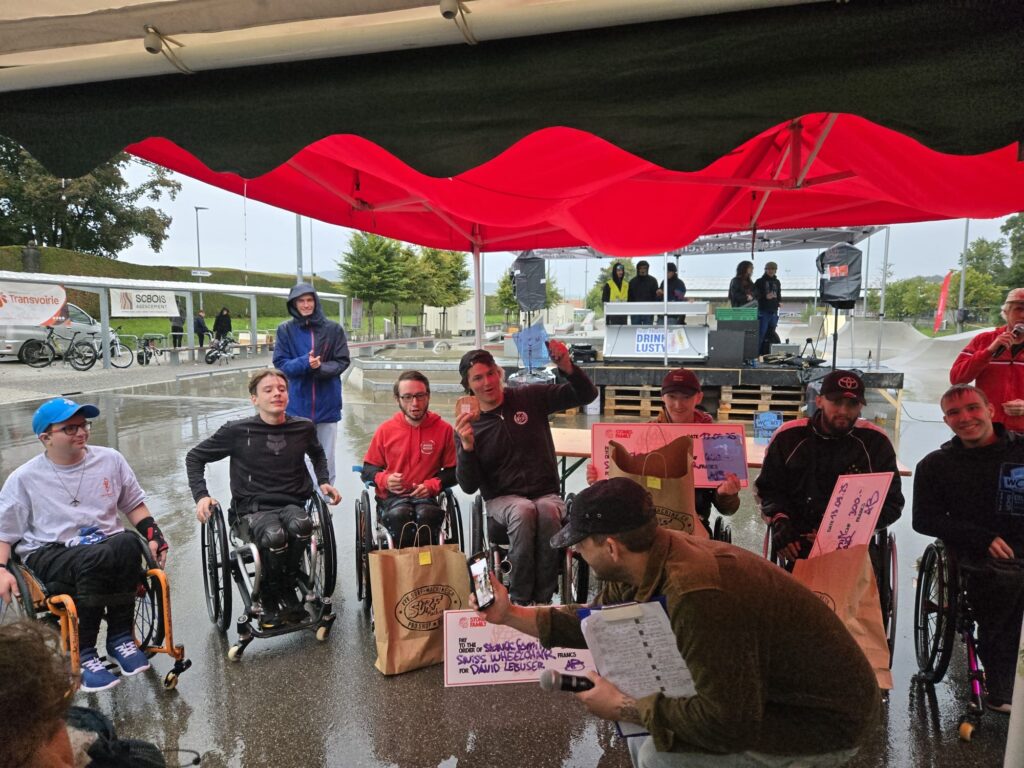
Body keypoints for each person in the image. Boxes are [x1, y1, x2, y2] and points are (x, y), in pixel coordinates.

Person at [473, 478, 880, 768]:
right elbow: (600, 622)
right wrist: (509, 615)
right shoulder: (643, 558)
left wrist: (626, 706)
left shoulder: (697, 594)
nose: (576, 553)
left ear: (611, 546)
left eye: (581, 544)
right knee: (650, 724)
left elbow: (727, 725)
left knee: (659, 754)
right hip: (769, 696)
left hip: (819, 724)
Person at [0, 397, 169, 692]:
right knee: (101, 554)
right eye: (70, 428)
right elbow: (5, 532)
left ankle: (119, 638)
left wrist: (155, 535)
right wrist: (1, 569)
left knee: (130, 541)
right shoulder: (24, 478)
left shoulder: (110, 460)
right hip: (51, 553)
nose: (81, 432)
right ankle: (84, 652)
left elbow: (134, 505)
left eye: (84, 425)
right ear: (46, 438)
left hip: (103, 547)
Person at [185, 369, 341, 628]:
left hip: (292, 503)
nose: (277, 393)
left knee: (303, 526)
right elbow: (194, 457)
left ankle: (287, 585)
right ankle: (270, 594)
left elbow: (317, 454)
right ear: (254, 399)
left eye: (281, 389)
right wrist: (201, 496)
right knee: (274, 535)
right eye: (268, 390)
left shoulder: (303, 427)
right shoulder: (237, 431)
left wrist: (323, 480)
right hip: (252, 509)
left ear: (288, 396)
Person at [455, 344, 598, 605]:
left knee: (545, 510)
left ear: (499, 373)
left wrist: (565, 365)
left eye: (490, 373)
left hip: (546, 493)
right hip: (502, 499)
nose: (487, 382)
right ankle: (520, 600)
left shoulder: (529, 397)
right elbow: (467, 485)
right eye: (478, 378)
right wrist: (466, 448)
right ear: (468, 386)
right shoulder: (468, 426)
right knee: (523, 510)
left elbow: (586, 395)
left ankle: (542, 601)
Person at [913, 384, 1024, 714]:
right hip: (975, 552)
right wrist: (981, 538)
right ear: (946, 421)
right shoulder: (936, 465)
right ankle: (1002, 685)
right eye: (954, 413)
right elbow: (924, 519)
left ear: (990, 410)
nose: (965, 417)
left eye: (973, 408)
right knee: (1008, 583)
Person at [755, 369, 904, 562]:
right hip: (797, 538)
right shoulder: (788, 437)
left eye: (852, 404)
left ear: (860, 407)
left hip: (853, 544)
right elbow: (768, 488)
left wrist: (846, 534)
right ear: (819, 401)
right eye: (836, 402)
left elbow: (892, 502)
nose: (843, 411)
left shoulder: (876, 442)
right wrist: (780, 520)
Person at [587, 368, 740, 535]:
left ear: (698, 397)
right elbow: (624, 492)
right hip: (644, 523)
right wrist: (601, 483)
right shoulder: (643, 436)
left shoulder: (717, 441)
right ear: (662, 397)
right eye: (672, 397)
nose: (678, 404)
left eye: (686, 397)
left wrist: (726, 495)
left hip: (692, 526)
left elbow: (728, 510)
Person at [361, 371, 457, 548]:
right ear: (397, 399)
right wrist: (385, 480)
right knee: (400, 515)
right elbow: (367, 469)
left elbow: (455, 472)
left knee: (428, 514)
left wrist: (433, 485)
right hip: (392, 499)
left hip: (427, 498)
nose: (415, 403)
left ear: (428, 396)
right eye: (407, 397)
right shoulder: (385, 430)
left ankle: (425, 566)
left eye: (420, 396)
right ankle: (403, 566)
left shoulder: (444, 430)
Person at [273, 283, 351, 486]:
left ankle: (325, 501)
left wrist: (320, 368)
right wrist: (304, 363)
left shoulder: (333, 329)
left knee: (326, 456)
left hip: (327, 405)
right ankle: (301, 501)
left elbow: (342, 361)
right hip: (298, 405)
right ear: (294, 304)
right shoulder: (285, 330)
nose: (306, 305)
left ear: (316, 302)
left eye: (309, 300)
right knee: (297, 456)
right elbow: (280, 364)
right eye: (301, 301)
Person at [949, 287, 1024, 431]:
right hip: (988, 430)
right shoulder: (983, 341)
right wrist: (989, 352)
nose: (1023, 315)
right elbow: (957, 379)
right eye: (1018, 309)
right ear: (1006, 312)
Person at [754, 261, 782, 355]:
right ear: (765, 270)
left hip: (774, 311)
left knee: (771, 334)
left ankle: (768, 354)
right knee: (761, 334)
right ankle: (756, 355)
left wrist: (779, 302)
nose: (770, 271)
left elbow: (778, 294)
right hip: (763, 311)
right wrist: (765, 297)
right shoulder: (759, 281)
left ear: (775, 270)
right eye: (768, 269)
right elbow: (754, 296)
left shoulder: (777, 282)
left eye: (772, 269)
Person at [628, 260, 659, 325]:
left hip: (648, 311)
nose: (642, 270)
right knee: (635, 331)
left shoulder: (653, 281)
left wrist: (654, 308)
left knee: (647, 331)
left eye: (644, 268)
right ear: (638, 269)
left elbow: (656, 296)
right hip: (635, 311)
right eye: (641, 268)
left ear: (647, 269)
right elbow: (629, 297)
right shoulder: (632, 282)